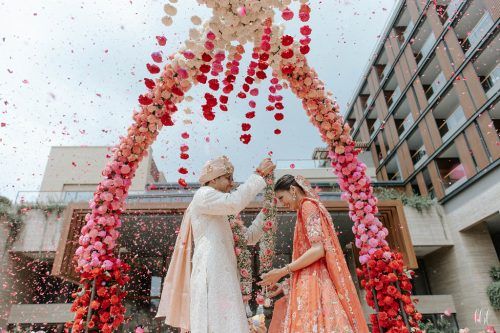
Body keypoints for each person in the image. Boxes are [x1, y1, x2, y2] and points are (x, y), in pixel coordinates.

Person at [156, 155, 275, 333]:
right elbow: (234, 202)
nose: (231, 184)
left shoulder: (221, 210)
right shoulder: (204, 195)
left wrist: (268, 211)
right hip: (210, 273)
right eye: (228, 178)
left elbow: (248, 237)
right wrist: (258, 175)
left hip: (224, 273)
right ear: (213, 179)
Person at [259, 174, 369, 333]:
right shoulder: (307, 207)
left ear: (292, 189)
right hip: (314, 278)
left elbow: (318, 250)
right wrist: (285, 284)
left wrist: (282, 271)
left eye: (282, 198)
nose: (283, 204)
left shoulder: (307, 206)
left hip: (315, 281)